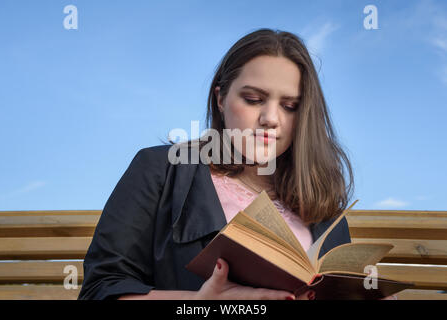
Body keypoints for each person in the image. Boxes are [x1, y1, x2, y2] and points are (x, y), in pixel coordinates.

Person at [78, 28, 358, 300]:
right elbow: (100, 290)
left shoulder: (321, 201)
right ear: (221, 99)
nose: (271, 118)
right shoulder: (160, 169)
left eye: (290, 106)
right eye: (253, 99)